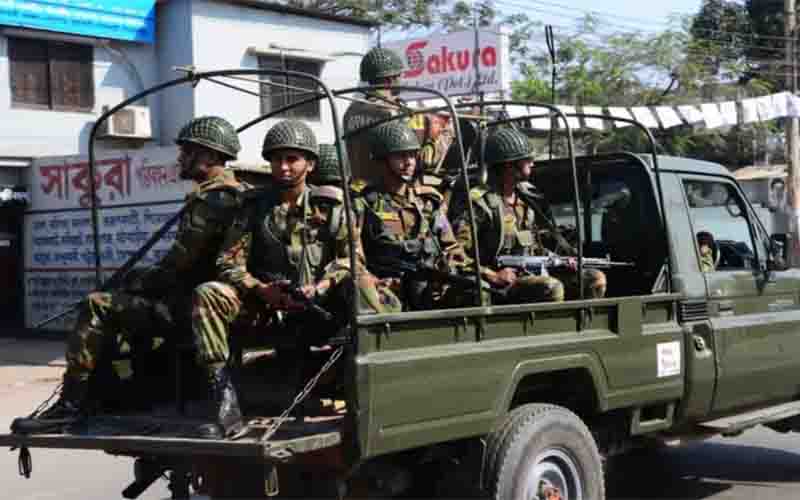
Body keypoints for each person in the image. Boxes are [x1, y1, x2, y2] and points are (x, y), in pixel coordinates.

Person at [13, 117, 249, 432]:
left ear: (208, 156)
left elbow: (178, 264)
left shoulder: (214, 199)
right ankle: (120, 392)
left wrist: (136, 281)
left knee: (98, 304)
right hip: (200, 301)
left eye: (187, 152)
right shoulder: (230, 193)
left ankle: (72, 404)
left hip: (195, 305)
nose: (180, 158)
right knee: (124, 295)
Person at [190, 120, 401, 439]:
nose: (284, 166)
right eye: (277, 159)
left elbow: (351, 259)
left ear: (310, 164)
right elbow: (228, 261)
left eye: (293, 159)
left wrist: (321, 286)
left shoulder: (331, 208)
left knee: (361, 282)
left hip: (322, 308)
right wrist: (261, 289)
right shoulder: (253, 207)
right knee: (209, 293)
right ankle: (225, 406)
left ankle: (373, 391)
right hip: (266, 306)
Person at [453, 127, 607, 303]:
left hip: (529, 271)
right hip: (499, 283)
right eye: (527, 159)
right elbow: (456, 254)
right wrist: (492, 275)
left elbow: (534, 248)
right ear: (509, 166)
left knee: (595, 279)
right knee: (551, 287)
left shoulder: (526, 199)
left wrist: (560, 260)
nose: (532, 163)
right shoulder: (480, 203)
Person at [354, 120, 474, 310]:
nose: (409, 162)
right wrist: (374, 281)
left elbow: (451, 247)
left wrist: (447, 271)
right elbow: (354, 259)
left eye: (412, 155)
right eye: (400, 156)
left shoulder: (428, 201)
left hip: (428, 286)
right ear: (382, 160)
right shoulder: (362, 204)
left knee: (475, 291)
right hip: (387, 290)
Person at [343, 47, 407, 186]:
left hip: (358, 187)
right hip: (385, 189)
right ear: (391, 79)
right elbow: (409, 154)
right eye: (399, 76)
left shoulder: (351, 110)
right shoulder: (391, 110)